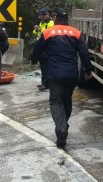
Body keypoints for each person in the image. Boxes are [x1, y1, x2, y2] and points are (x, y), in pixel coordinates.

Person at [31, 8, 92, 148]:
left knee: (56, 101)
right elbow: (84, 54)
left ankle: (61, 128)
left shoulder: (48, 32)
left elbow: (37, 49)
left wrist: (34, 60)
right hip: (72, 74)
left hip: (55, 74)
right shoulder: (76, 33)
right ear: (67, 19)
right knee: (67, 100)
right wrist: (88, 71)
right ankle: (64, 125)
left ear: (56, 18)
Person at [32, 7, 54, 91]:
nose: (41, 18)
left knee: (46, 66)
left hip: (47, 47)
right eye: (40, 16)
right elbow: (36, 33)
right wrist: (36, 29)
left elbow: (50, 33)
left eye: (42, 16)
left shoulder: (51, 23)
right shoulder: (42, 22)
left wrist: (41, 29)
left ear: (47, 14)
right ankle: (43, 82)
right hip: (41, 46)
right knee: (42, 65)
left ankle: (46, 84)